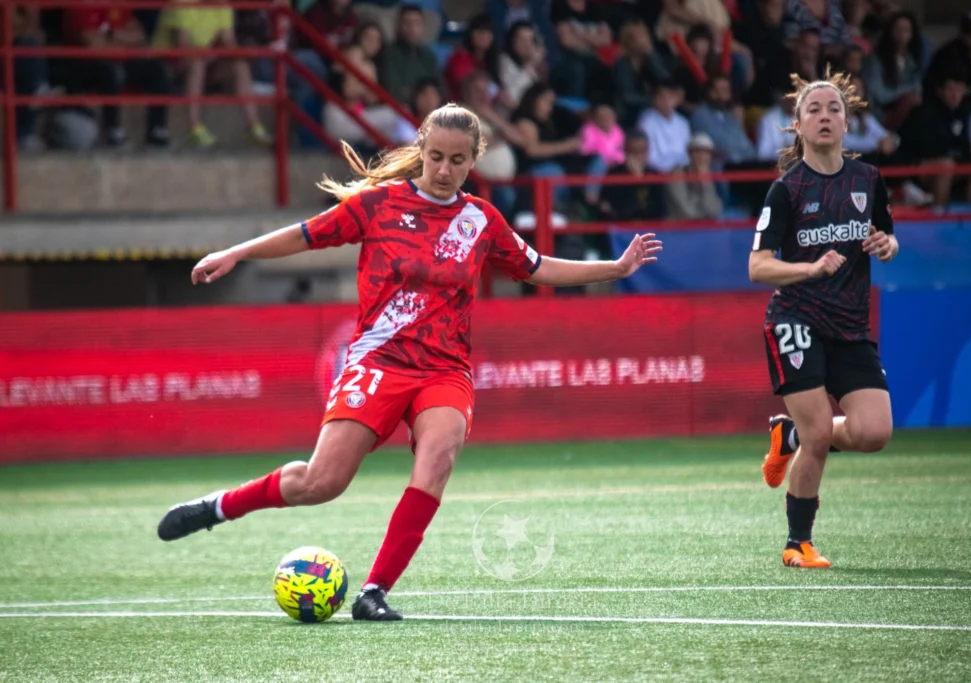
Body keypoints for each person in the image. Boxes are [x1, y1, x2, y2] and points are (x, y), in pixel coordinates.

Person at [156, 103, 661, 620]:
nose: (444, 170)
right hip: (378, 362)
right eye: (436, 156)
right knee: (321, 483)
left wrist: (615, 268)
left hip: (445, 370)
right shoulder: (377, 205)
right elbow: (306, 235)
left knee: (439, 457)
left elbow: (537, 267)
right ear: (420, 150)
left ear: (474, 160)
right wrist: (236, 253)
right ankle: (217, 507)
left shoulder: (481, 219)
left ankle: (374, 592)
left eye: (458, 160)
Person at [749, 70, 898, 569]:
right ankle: (798, 543)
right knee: (818, 436)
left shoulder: (868, 180)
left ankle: (787, 434)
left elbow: (888, 237)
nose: (825, 116)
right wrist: (809, 268)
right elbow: (758, 265)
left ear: (848, 121)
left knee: (875, 432)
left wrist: (887, 244)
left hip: (850, 325)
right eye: (814, 109)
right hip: (795, 318)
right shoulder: (786, 191)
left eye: (834, 108)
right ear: (797, 125)